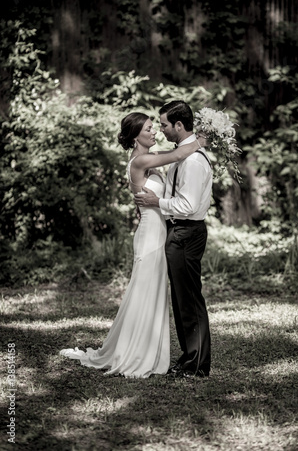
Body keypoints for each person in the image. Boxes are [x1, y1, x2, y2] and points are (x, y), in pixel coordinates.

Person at [60, 111, 206, 378]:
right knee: (144, 291)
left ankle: (146, 348)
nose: (155, 132)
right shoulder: (139, 161)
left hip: (160, 231)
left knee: (153, 292)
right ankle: (136, 352)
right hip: (151, 234)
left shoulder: (148, 157)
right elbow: (176, 155)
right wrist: (201, 140)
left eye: (155, 127)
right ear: (136, 134)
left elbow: (172, 152)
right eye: (149, 129)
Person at [135, 101, 212, 378]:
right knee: (181, 301)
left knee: (190, 299)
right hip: (178, 232)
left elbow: (188, 205)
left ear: (179, 126)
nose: (162, 129)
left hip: (186, 231)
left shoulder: (191, 161)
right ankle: (189, 357)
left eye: (165, 125)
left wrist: (158, 202)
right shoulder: (184, 155)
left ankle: (198, 365)